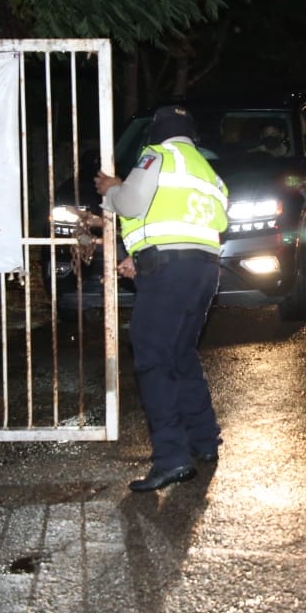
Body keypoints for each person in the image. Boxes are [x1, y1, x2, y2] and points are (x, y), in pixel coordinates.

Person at [94, 104, 229, 492]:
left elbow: (132, 204)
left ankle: (171, 458)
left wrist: (112, 189)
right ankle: (204, 440)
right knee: (181, 353)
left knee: (153, 357)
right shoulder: (208, 171)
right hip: (203, 269)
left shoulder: (157, 155)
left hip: (169, 271)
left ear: (159, 131)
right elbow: (219, 221)